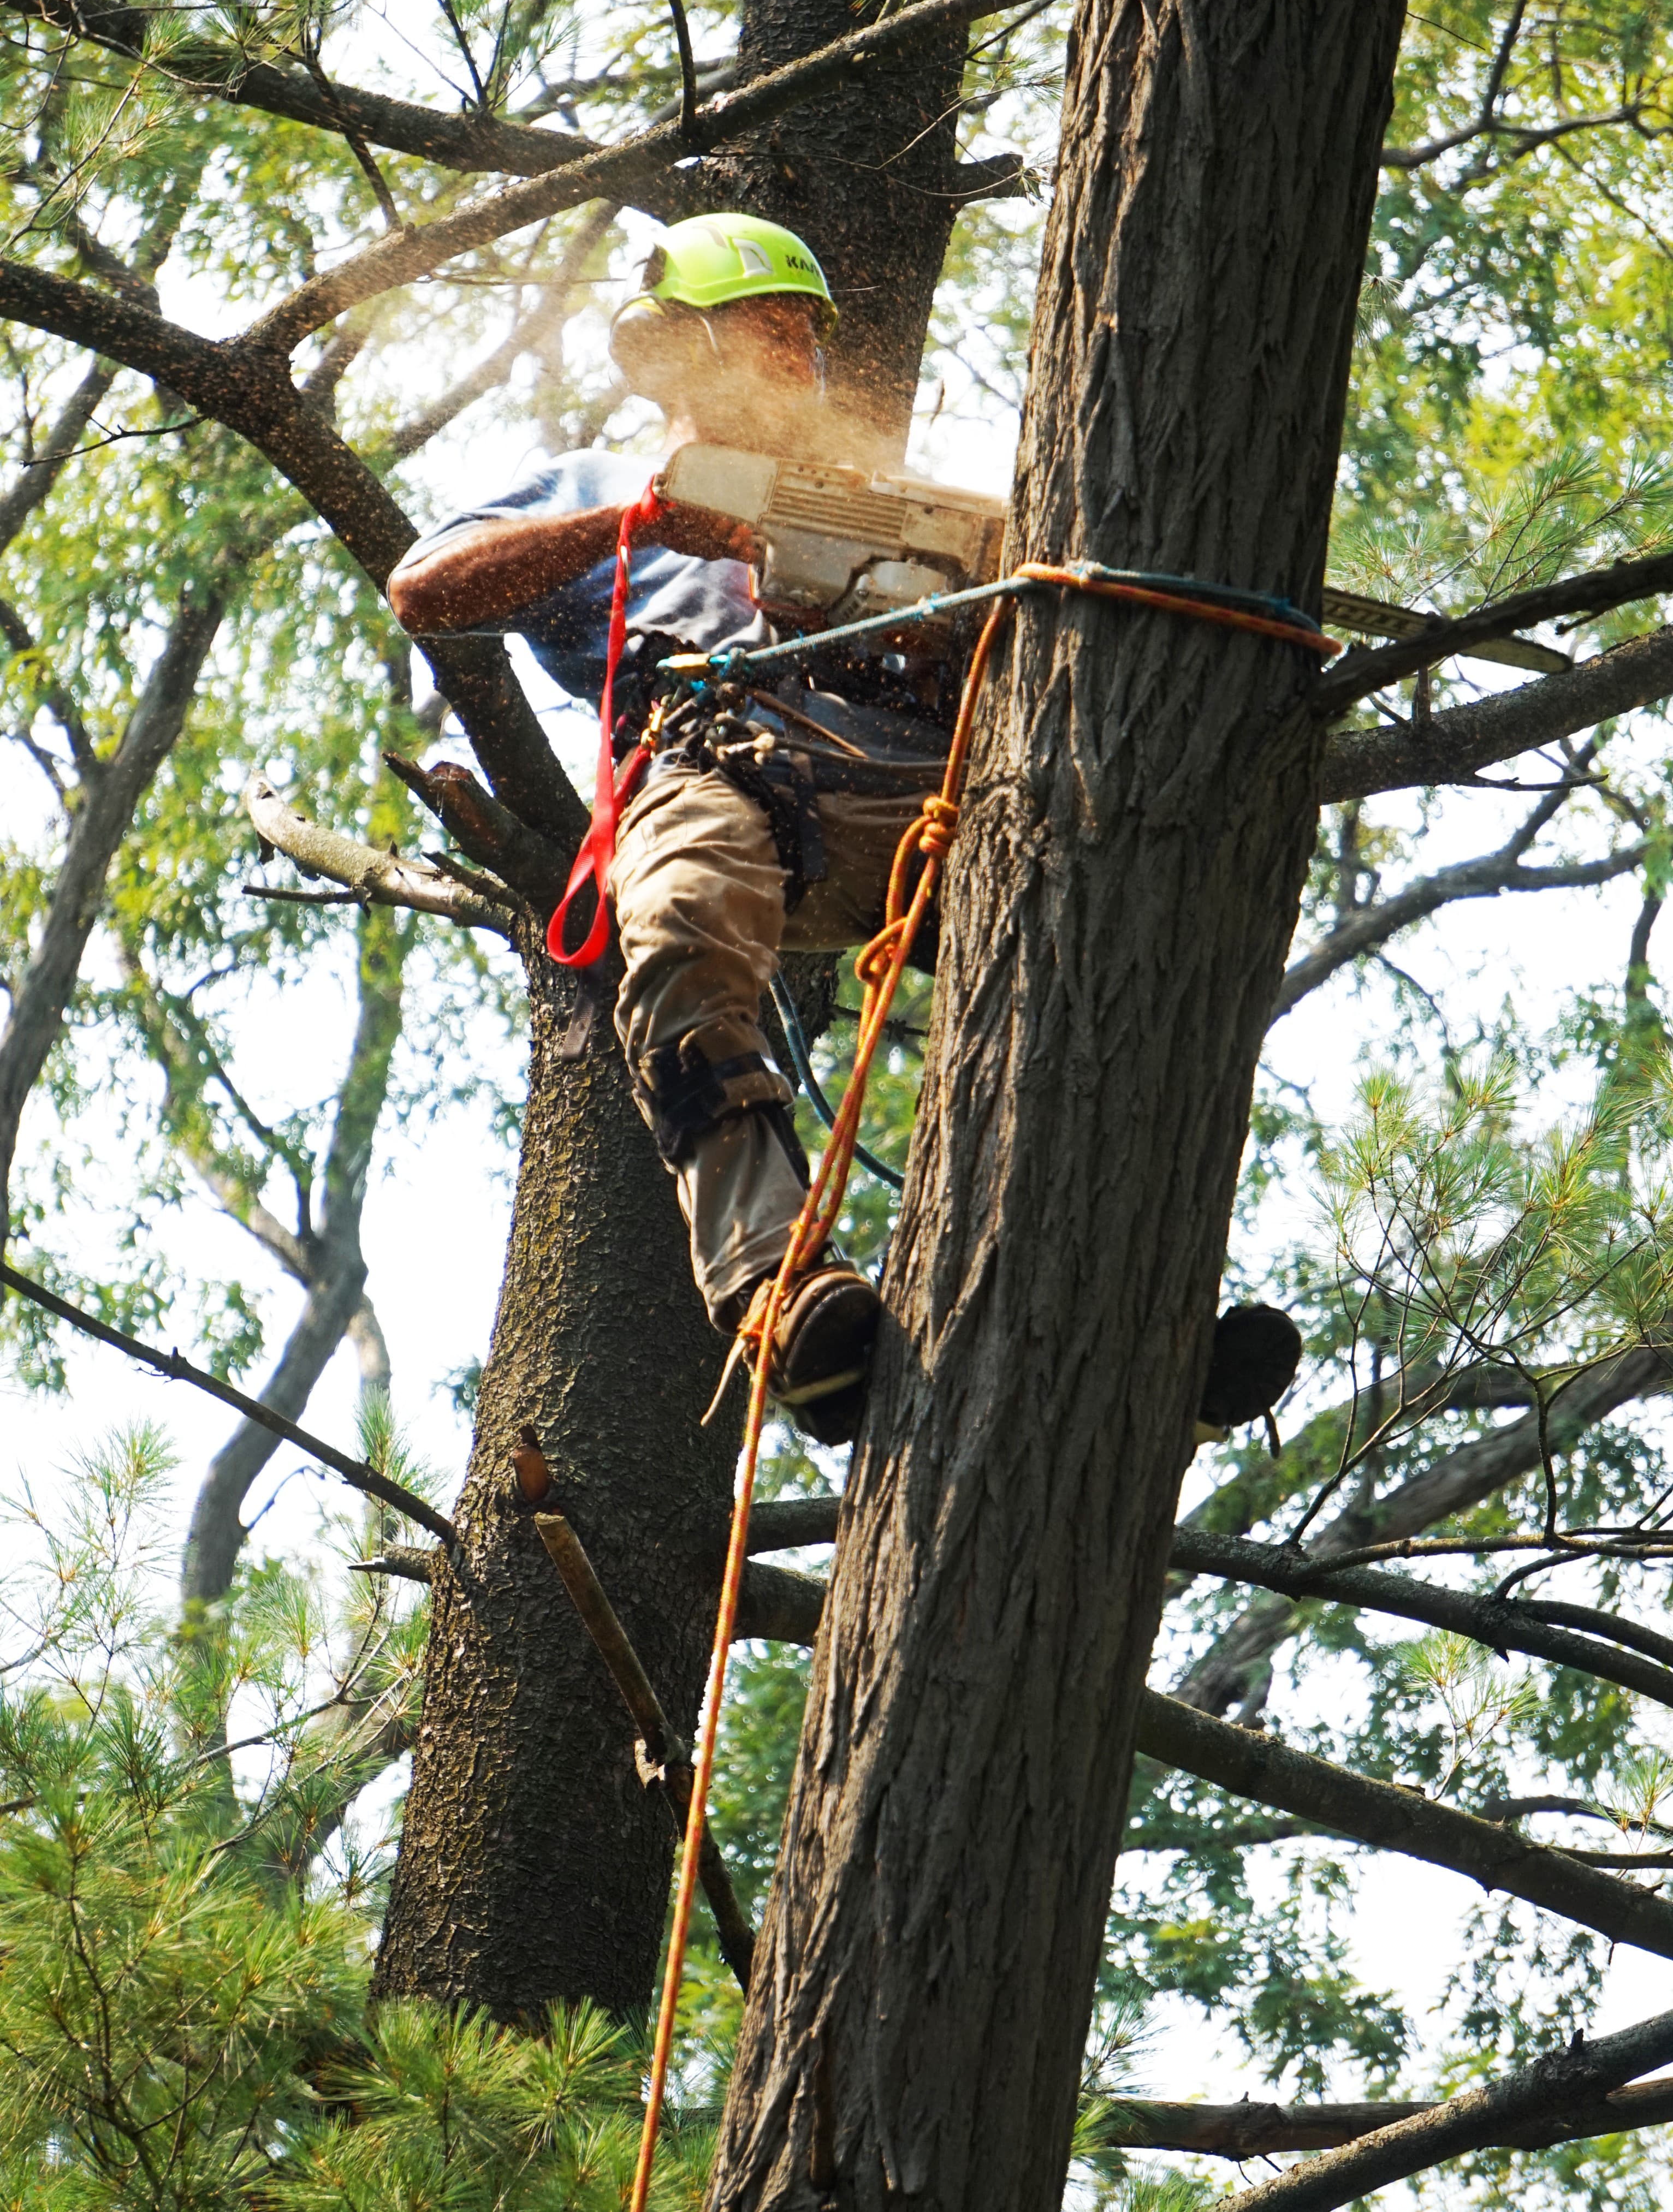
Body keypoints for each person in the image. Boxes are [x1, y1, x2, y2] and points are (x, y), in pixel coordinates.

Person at [388, 211, 1302, 1451]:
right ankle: (779, 1292)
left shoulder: (880, 500)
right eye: (767, 332)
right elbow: (426, 591)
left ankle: (1131, 1303)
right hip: (718, 766)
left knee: (1101, 931)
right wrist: (650, 523)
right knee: (683, 920)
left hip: (916, 784)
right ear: (673, 351)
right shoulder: (596, 488)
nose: (797, 361)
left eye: (807, 339)